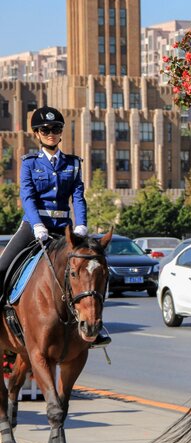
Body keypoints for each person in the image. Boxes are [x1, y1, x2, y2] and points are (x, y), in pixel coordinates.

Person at [0, 106, 110, 347]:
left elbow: (78, 198)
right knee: (2, 267)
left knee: (90, 271)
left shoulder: (73, 164)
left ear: (61, 133)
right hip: (34, 227)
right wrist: (38, 225)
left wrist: (81, 226)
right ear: (37, 134)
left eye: (56, 129)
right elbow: (27, 197)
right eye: (45, 129)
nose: (51, 133)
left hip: (64, 230)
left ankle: (96, 325)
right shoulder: (29, 163)